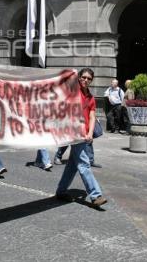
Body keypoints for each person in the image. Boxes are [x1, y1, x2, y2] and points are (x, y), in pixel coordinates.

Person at [55, 68, 107, 206]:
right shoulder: (73, 92)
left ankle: (61, 191)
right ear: (78, 77)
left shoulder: (90, 97)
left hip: (84, 135)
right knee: (84, 163)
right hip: (74, 133)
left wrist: (90, 133)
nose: (86, 80)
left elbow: (92, 115)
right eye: (83, 77)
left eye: (89, 79)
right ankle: (96, 195)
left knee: (73, 164)